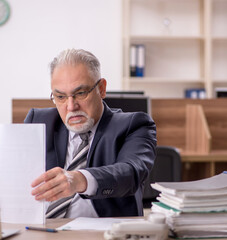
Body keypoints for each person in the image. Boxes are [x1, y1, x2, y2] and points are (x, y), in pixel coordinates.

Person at [24, 48, 156, 218]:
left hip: (104, 233)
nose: (71, 107)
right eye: (61, 97)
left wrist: (79, 180)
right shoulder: (39, 121)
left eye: (80, 93)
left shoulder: (134, 125)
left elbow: (130, 173)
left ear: (101, 88)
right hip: (44, 230)